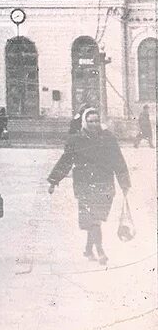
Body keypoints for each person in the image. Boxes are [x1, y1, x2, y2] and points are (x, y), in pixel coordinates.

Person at [48, 108, 130, 265]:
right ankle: (100, 251)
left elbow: (118, 161)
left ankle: (87, 249)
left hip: (104, 183)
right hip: (84, 184)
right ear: (84, 122)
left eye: (97, 121)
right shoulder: (75, 140)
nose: (94, 124)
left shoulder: (108, 138)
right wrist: (53, 181)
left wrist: (124, 183)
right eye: (90, 121)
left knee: (96, 218)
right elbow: (65, 161)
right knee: (94, 219)